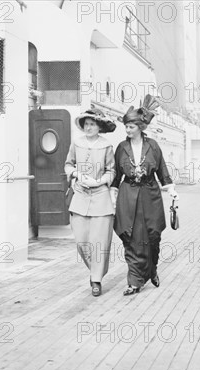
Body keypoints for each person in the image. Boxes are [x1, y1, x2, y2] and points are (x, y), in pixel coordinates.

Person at [111, 95, 179, 296]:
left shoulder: (154, 146)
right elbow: (116, 175)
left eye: (131, 127)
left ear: (140, 127)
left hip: (150, 195)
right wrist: (113, 196)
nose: (128, 130)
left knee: (153, 236)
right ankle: (134, 281)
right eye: (126, 127)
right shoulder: (121, 148)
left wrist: (171, 190)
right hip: (128, 195)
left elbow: (162, 171)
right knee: (130, 237)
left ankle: (152, 269)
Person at [65, 108, 116, 297]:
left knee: (99, 242)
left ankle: (96, 279)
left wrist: (99, 181)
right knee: (81, 241)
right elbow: (68, 164)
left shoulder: (107, 146)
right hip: (80, 197)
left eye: (92, 124)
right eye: (86, 124)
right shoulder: (76, 143)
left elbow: (111, 171)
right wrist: (77, 174)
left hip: (101, 198)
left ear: (99, 127)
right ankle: (94, 270)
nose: (88, 127)